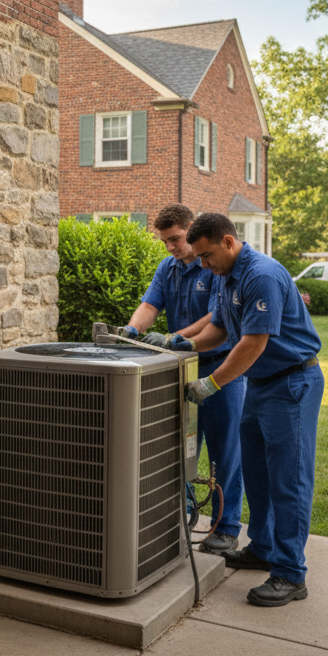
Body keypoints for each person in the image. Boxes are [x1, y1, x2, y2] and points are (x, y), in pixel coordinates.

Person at [183, 213, 324, 607]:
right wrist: (183, 344)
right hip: (260, 385)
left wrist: (212, 383)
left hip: (291, 383)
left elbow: (253, 343)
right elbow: (222, 329)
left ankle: (291, 574)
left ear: (229, 242)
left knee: (289, 480)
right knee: (258, 474)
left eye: (207, 255)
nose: (203, 265)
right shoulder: (223, 276)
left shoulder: (261, 274)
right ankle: (262, 547)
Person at [123, 204, 246, 554]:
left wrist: (173, 336)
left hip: (221, 371)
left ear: (191, 230)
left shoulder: (216, 268)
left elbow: (216, 318)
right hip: (181, 371)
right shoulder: (169, 268)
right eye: (165, 242)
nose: (171, 247)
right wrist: (133, 329)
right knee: (182, 449)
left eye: (175, 239)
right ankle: (183, 517)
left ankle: (226, 527)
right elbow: (150, 305)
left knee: (226, 453)